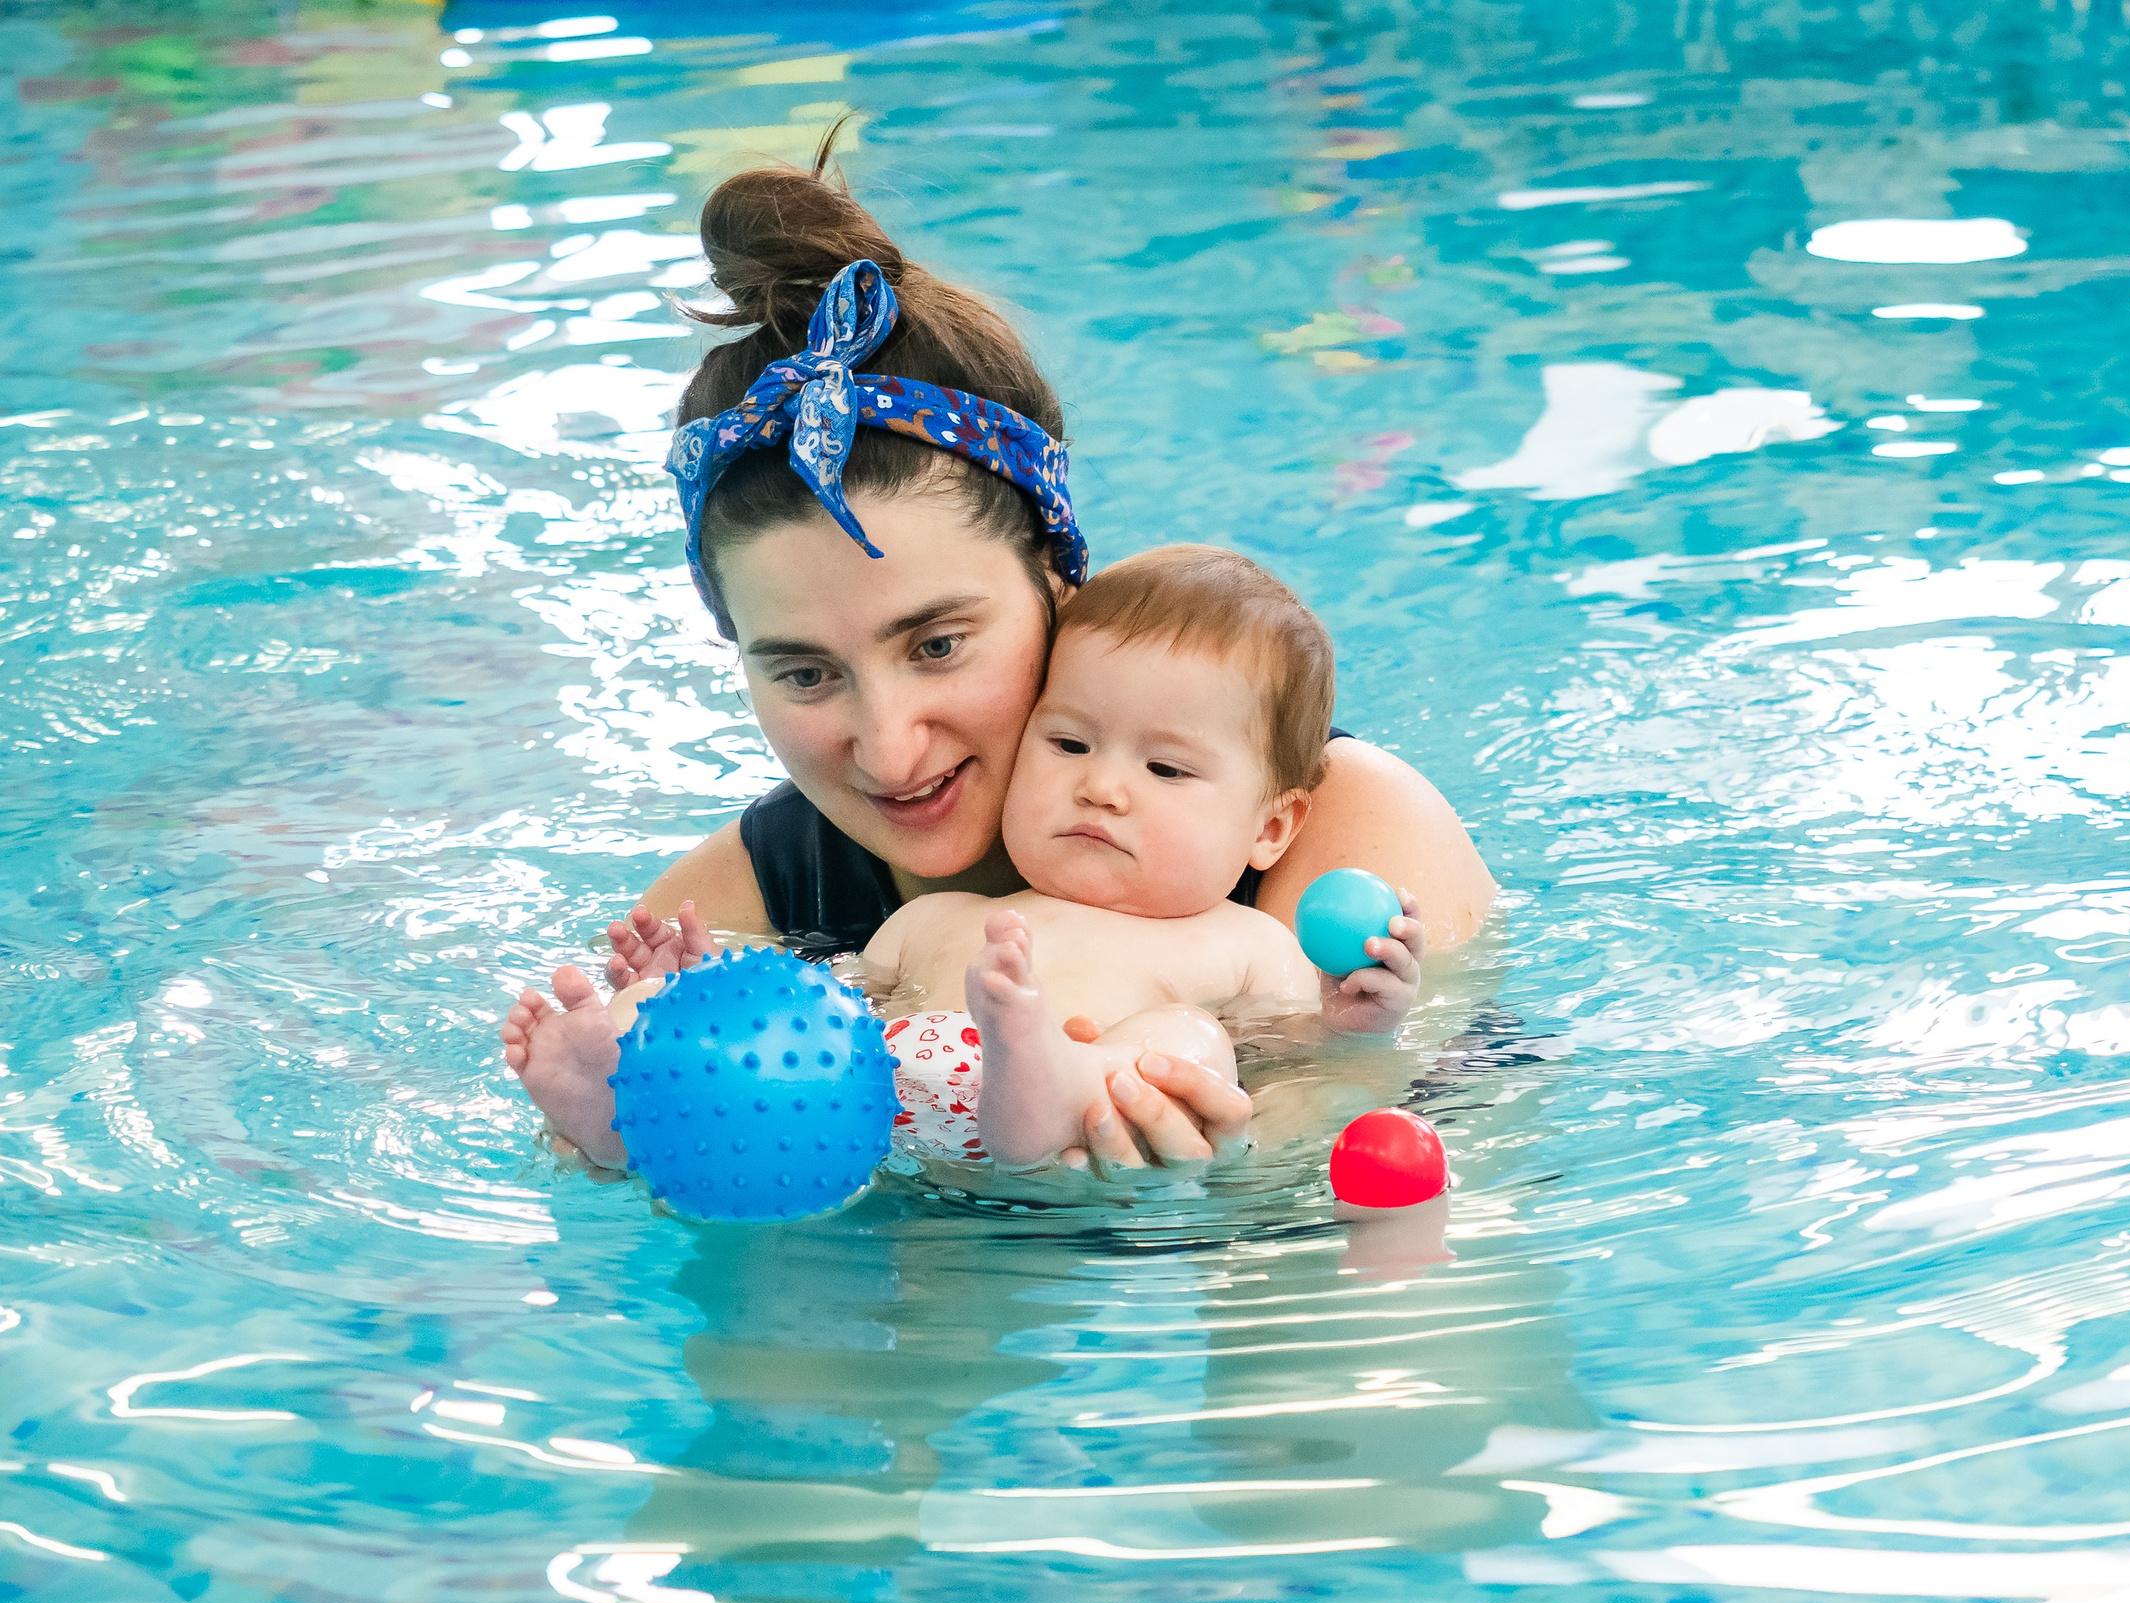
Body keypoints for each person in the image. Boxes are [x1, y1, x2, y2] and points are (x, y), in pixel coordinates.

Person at [498, 126, 1492, 1174]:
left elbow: (1455, 1154)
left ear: (1060, 582)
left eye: (937, 644)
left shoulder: (1337, 827)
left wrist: (1262, 1156)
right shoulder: (736, 915)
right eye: (805, 672)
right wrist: (648, 1126)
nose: (890, 750)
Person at [514, 540, 1429, 1169]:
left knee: (1190, 1042)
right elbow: (841, 998)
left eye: (1165, 768)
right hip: (905, 1095)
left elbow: (1306, 1068)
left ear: (1271, 829)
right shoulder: (939, 918)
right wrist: (710, 988)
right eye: (1067, 744)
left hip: (1098, 1118)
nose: (1103, 788)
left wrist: (1360, 1024)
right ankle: (616, 1108)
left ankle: (1042, 1083)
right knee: (754, 1056)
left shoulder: (1246, 941)